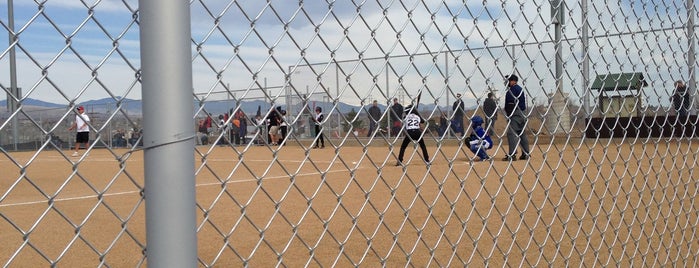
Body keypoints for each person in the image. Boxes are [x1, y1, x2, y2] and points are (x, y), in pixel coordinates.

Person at [502, 74, 531, 161]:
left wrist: (509, 114)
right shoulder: (519, 88)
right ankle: (526, 154)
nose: (506, 82)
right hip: (522, 113)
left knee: (511, 133)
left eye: (508, 80)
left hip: (515, 114)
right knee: (521, 133)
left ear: (513, 81)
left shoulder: (512, 90)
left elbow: (511, 104)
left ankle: (512, 154)